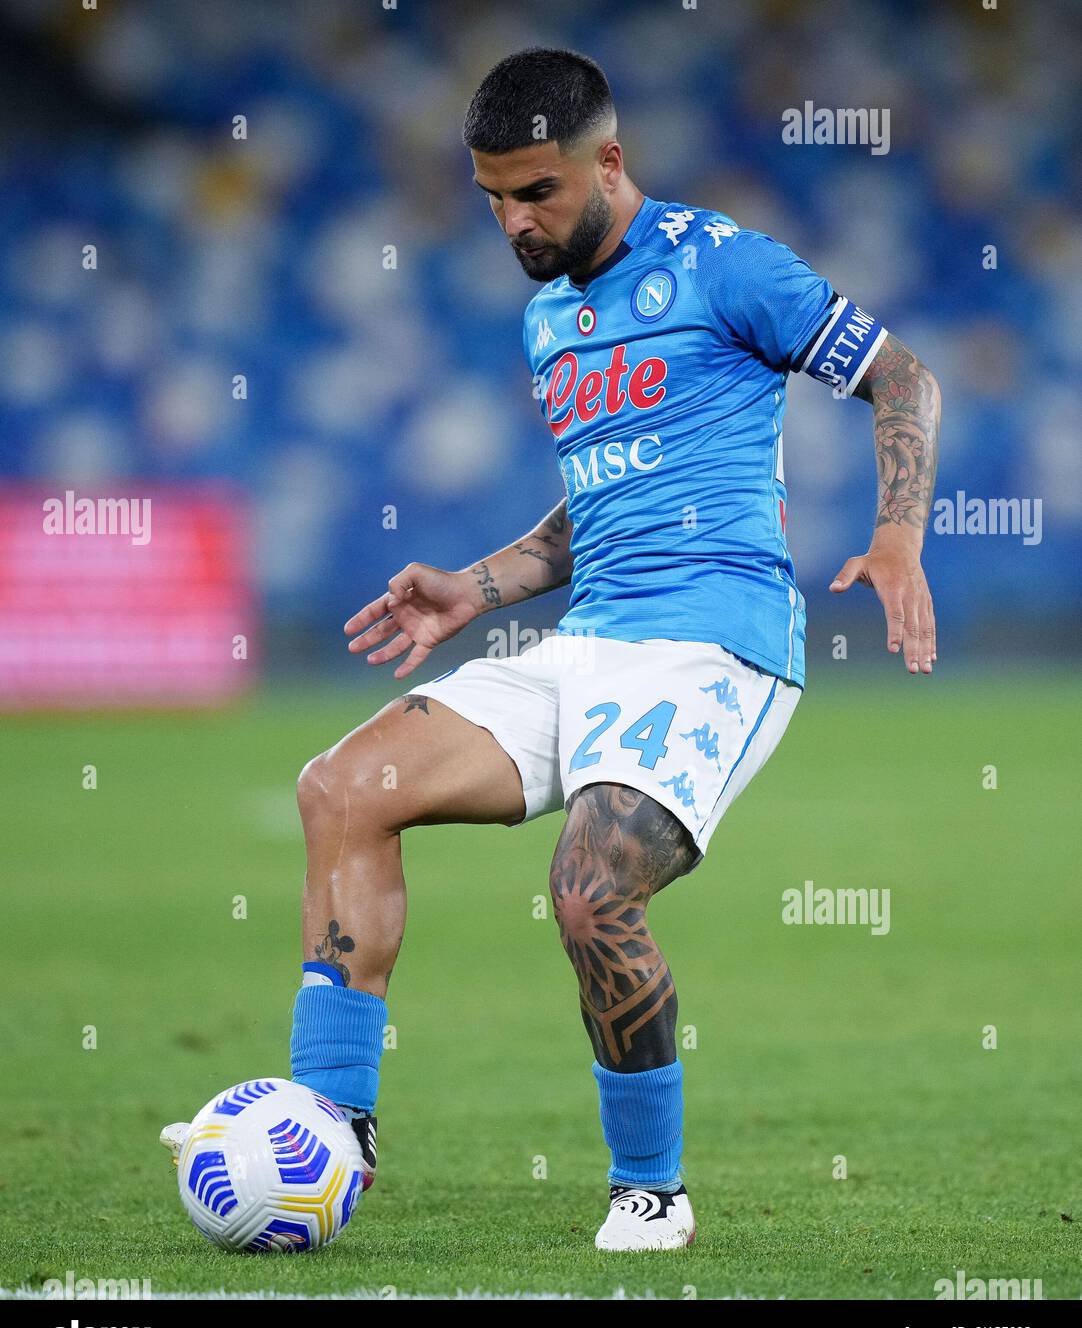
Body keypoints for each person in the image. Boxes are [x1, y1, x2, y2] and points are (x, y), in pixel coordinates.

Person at [167, 46, 940, 1252]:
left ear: (608, 161)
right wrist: (474, 587)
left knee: (586, 892)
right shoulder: (546, 321)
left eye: (536, 192)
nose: (512, 221)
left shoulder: (720, 263)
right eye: (491, 198)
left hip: (713, 642)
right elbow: (603, 502)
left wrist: (895, 537)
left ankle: (651, 1190)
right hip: (587, 640)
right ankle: (330, 1131)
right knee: (341, 788)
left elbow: (898, 373)